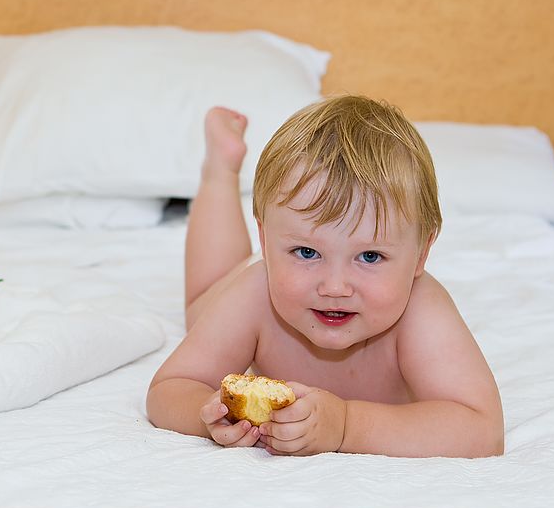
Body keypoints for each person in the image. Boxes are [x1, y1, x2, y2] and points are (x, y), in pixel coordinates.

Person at [146, 95, 504, 458]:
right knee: (201, 308)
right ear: (267, 241)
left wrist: (346, 425)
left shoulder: (421, 310)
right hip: (254, 279)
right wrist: (207, 414)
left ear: (421, 255)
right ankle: (220, 171)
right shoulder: (257, 295)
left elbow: (482, 430)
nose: (334, 288)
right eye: (307, 252)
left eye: (369, 256)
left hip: (286, 277)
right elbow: (169, 388)